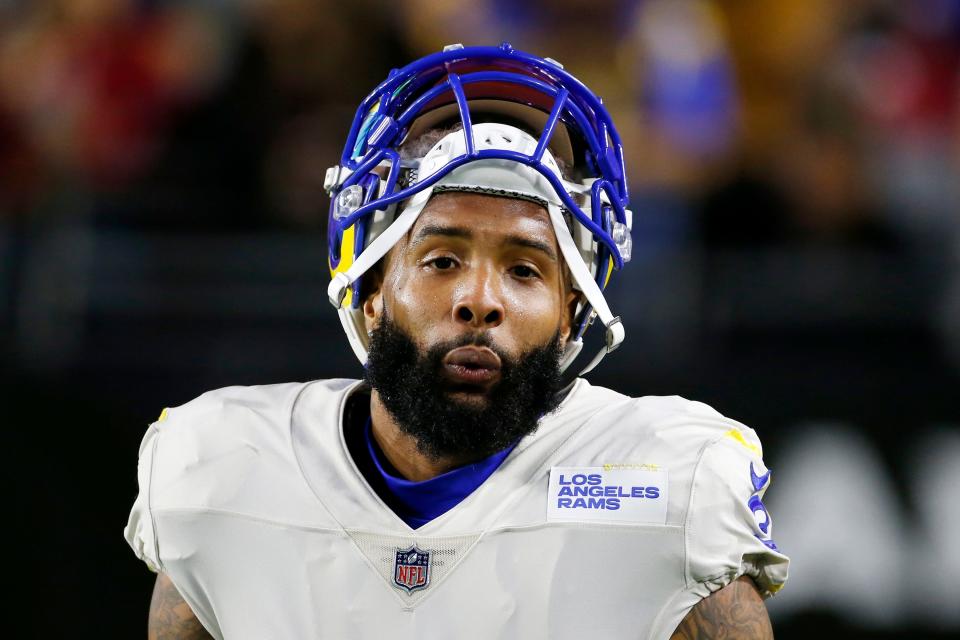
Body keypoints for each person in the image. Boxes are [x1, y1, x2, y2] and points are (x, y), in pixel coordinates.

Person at [125, 43, 788, 639]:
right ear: (374, 287)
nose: (480, 300)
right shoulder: (225, 471)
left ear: (570, 310)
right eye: (442, 260)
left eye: (524, 269)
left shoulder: (670, 484)